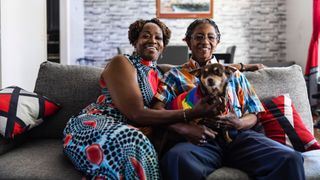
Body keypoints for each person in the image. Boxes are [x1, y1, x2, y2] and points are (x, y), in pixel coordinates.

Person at [62, 18, 221, 179]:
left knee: (143, 144)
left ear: (163, 47)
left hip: (132, 131)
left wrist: (245, 67)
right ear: (135, 41)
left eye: (158, 38)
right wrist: (190, 115)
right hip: (97, 123)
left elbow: (205, 70)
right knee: (135, 141)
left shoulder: (162, 76)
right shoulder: (123, 63)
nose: (152, 40)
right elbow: (136, 113)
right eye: (146, 36)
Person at [153, 19, 305, 180]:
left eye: (211, 37)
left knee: (290, 158)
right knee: (176, 158)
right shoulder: (174, 76)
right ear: (188, 42)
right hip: (199, 140)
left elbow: (254, 112)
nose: (205, 42)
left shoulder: (235, 74)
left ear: (217, 42)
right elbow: (156, 110)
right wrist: (185, 129)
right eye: (198, 37)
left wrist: (239, 123)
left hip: (239, 137)